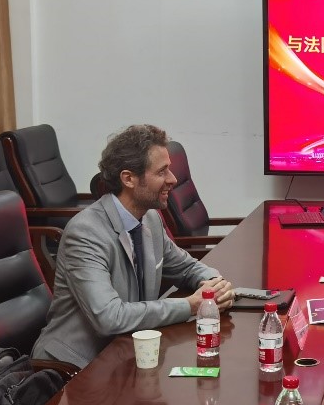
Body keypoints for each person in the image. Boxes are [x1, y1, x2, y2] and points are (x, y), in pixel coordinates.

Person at [33, 125, 234, 369]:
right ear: (128, 178)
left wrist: (214, 285)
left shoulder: (150, 219)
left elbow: (186, 267)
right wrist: (190, 305)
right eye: (162, 171)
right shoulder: (85, 233)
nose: (173, 179)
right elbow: (109, 317)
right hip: (75, 366)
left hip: (127, 354)